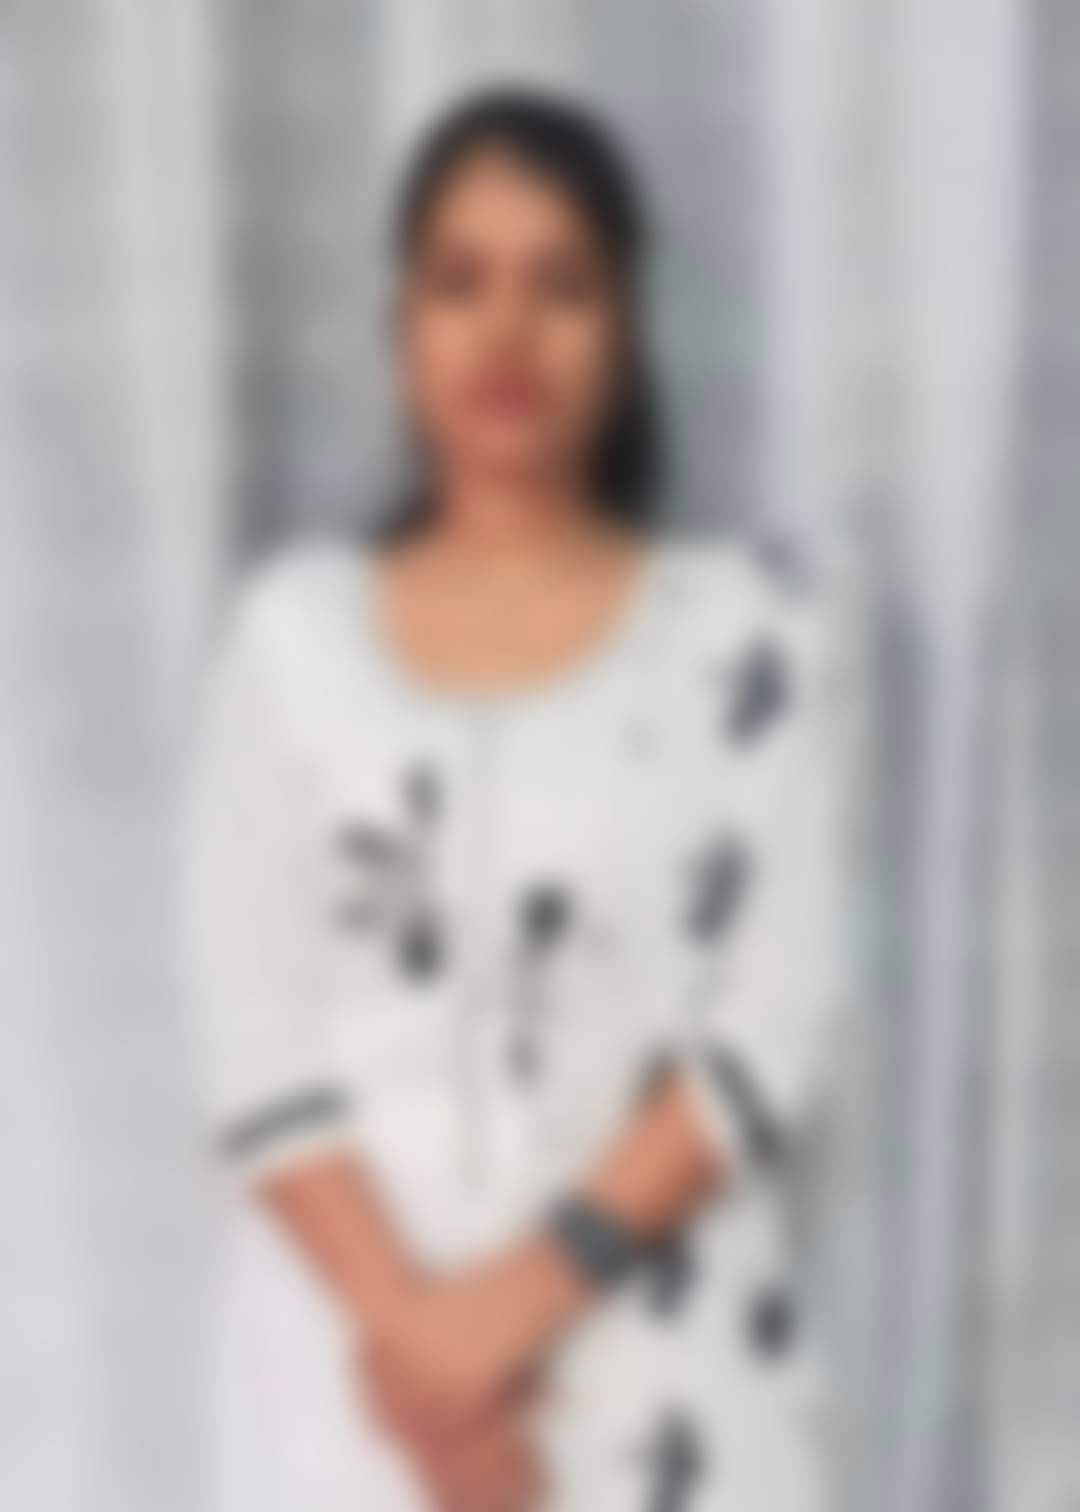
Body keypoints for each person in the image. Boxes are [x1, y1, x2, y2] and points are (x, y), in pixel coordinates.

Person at [185, 86, 857, 1512]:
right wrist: (425, 1378)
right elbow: (250, 1037)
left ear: (626, 336)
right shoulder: (289, 643)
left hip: (660, 1366)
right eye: (461, 282)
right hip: (352, 1379)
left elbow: (774, 1019)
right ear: (401, 327)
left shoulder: (746, 637)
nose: (506, 334)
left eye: (561, 287)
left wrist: (509, 1313)